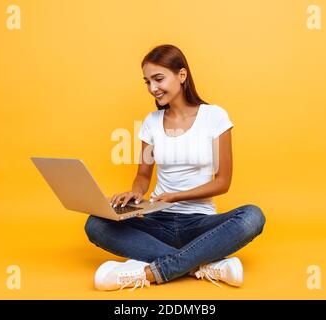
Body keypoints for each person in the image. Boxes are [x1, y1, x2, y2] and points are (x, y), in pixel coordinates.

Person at [85, 44, 266, 291]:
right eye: (147, 82)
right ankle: (201, 266)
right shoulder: (151, 122)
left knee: (252, 217)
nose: (152, 88)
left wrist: (176, 196)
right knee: (96, 224)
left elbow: (222, 182)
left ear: (182, 75)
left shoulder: (215, 117)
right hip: (156, 221)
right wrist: (136, 193)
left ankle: (152, 271)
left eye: (158, 79)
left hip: (201, 224)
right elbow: (142, 175)